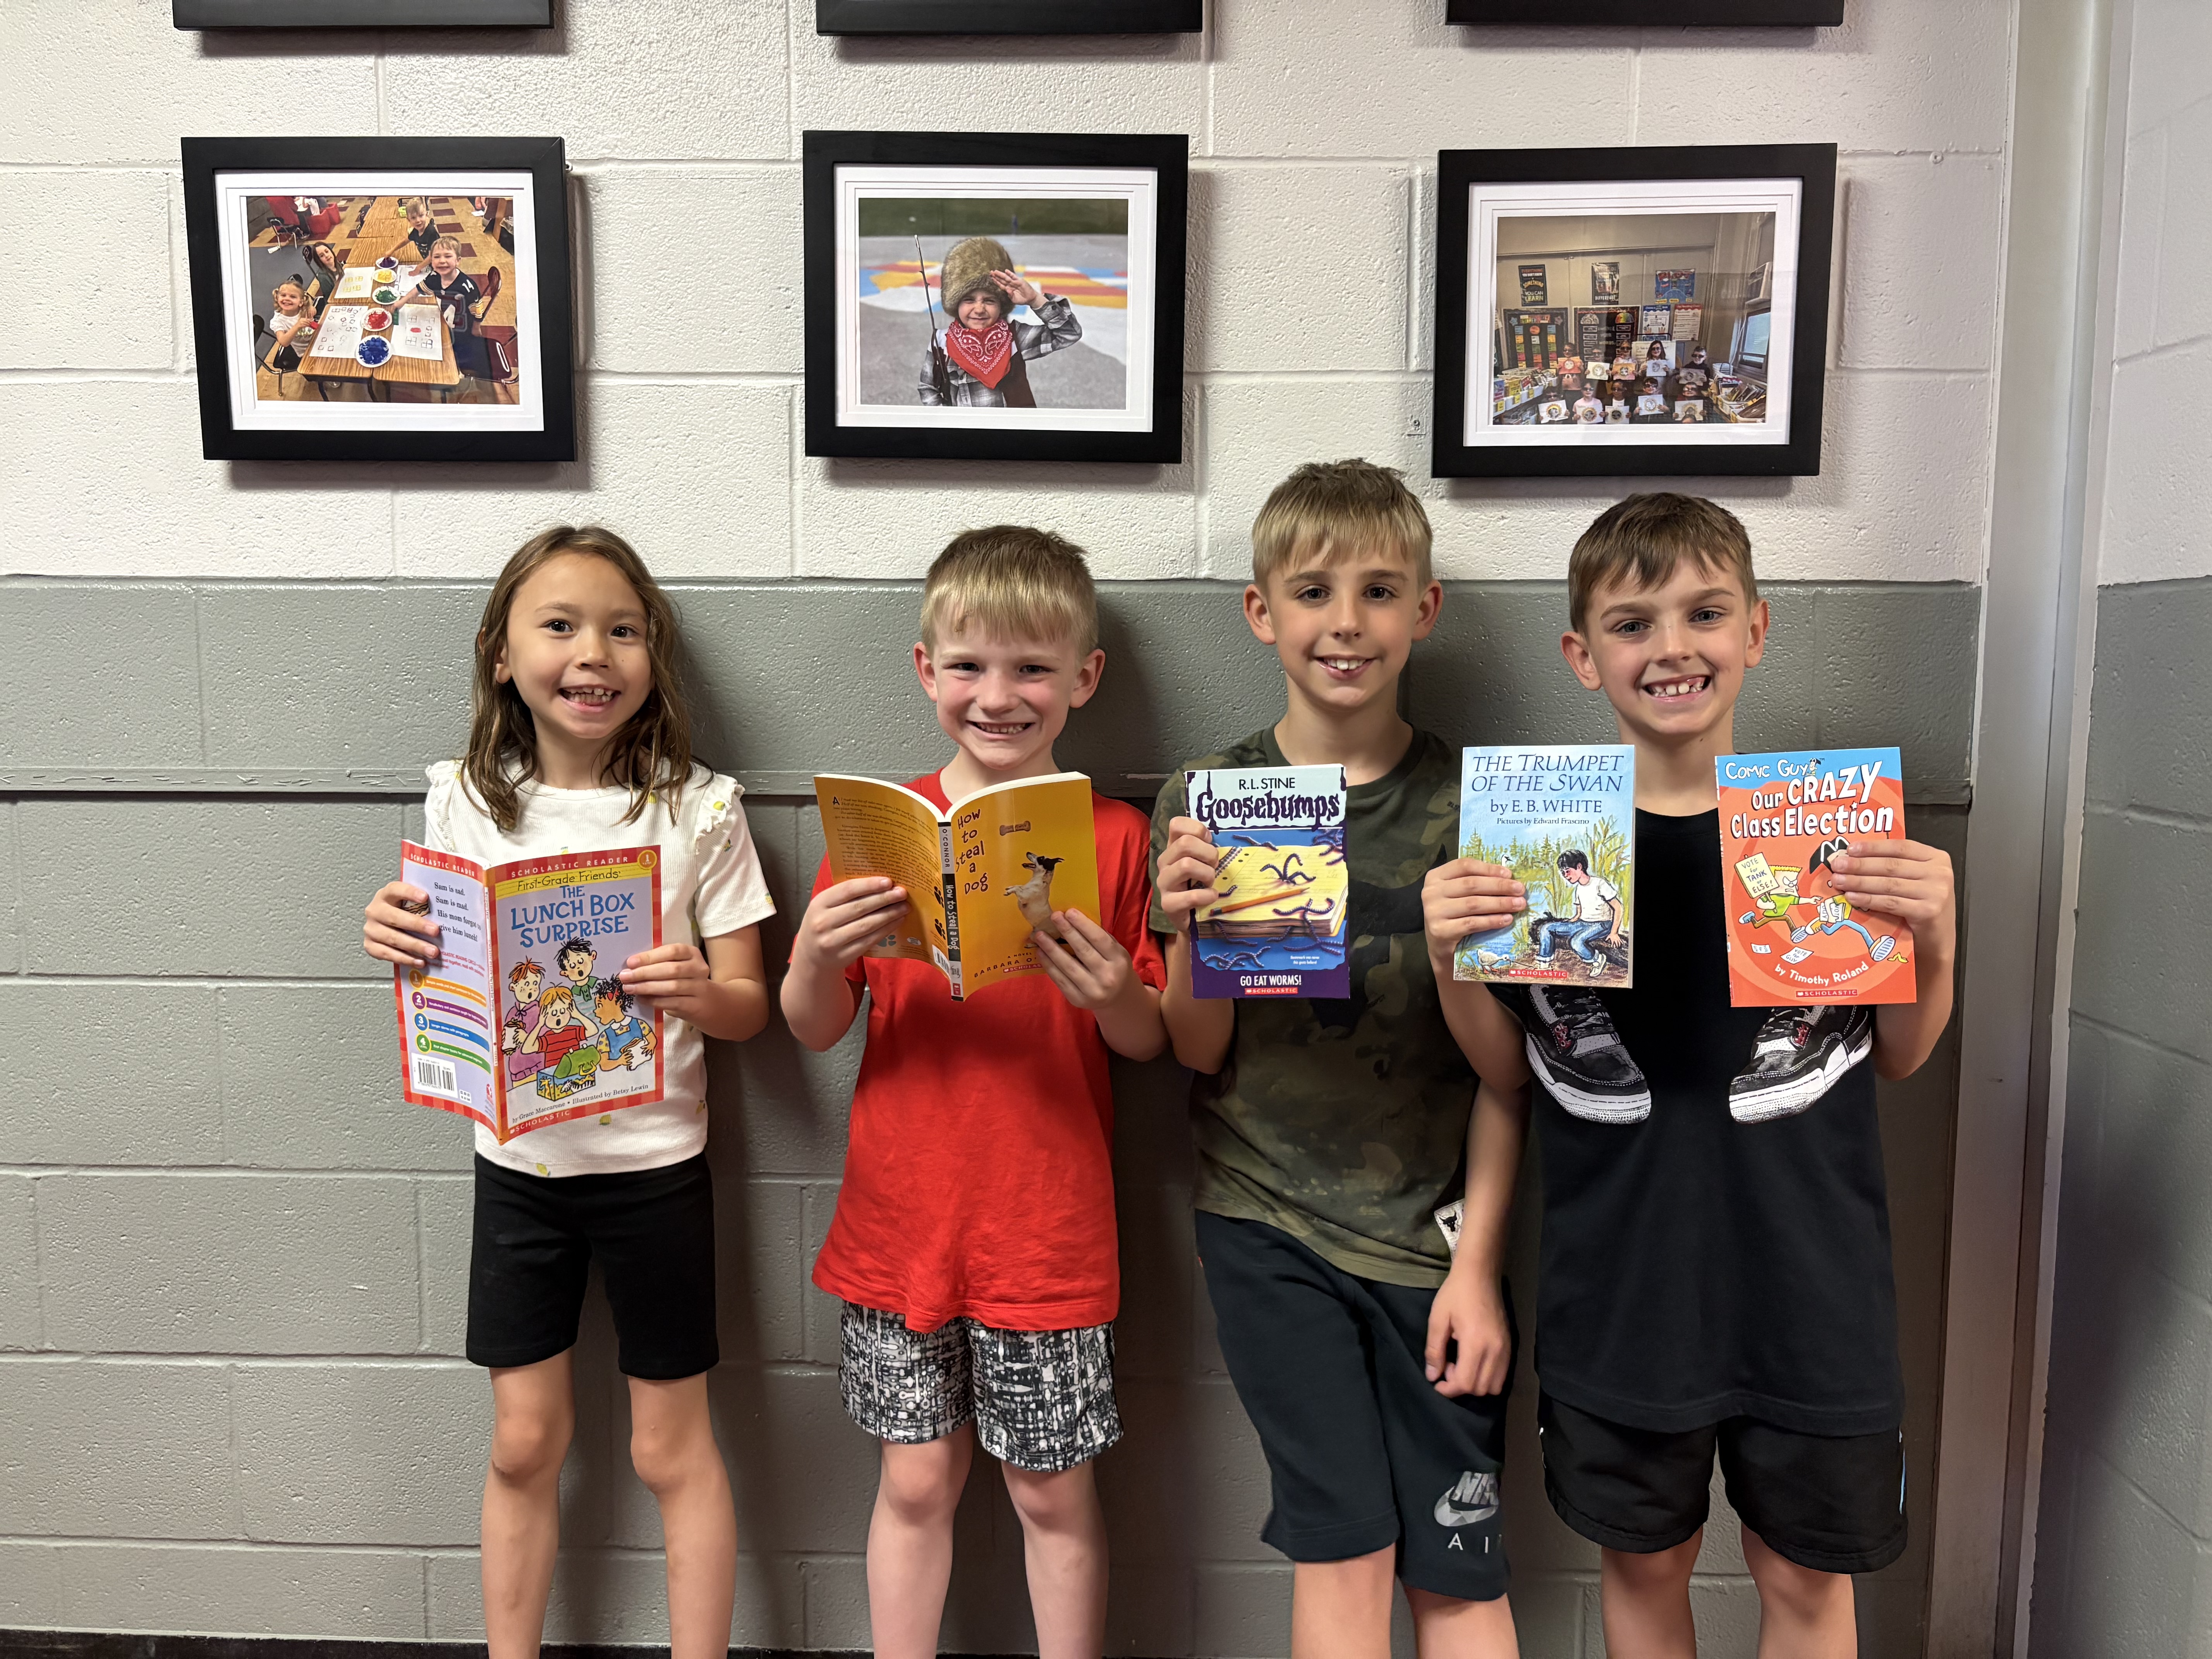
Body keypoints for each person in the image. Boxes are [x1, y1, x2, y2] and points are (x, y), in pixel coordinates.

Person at [1484, 493, 1957, 1656]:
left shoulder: (1832, 840)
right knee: (1642, 1576)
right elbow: (1506, 1070)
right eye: (1631, 624)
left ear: (1754, 628)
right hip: (1622, 1297)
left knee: (1805, 1583)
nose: (1671, 648)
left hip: (1812, 1294)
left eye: (1702, 614)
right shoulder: (1541, 850)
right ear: (1580, 656)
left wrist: (1936, 940)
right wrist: (1460, 956)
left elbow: (1896, 1054)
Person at [360, 525, 776, 1659]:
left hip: (656, 1176)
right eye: (560, 626)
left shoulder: (698, 809)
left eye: (622, 630)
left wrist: (700, 989)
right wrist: (393, 935)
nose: (594, 654)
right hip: (518, 1175)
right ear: (501, 655)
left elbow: (753, 1005)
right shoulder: (462, 803)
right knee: (522, 1443)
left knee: (666, 1448)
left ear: (652, 657)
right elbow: (433, 953)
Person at [1149, 460, 1532, 1659]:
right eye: (1311, 592)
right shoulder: (1215, 804)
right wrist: (1182, 936)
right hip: (1265, 1224)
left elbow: (1509, 1079)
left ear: (1422, 611)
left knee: (1457, 1569)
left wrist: (1477, 1266)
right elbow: (1198, 1052)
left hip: (1434, 1238)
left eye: (1377, 591)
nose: (1344, 623)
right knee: (1344, 1550)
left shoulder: (1484, 804)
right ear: (1262, 612)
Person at [781, 526, 1168, 1659]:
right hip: (900, 1228)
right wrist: (810, 956)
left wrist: (1109, 994)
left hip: (1044, 1234)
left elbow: (1147, 1045)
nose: (997, 696)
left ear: (1083, 680)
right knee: (914, 1484)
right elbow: (815, 1027)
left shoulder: (1114, 837)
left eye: (1032, 668)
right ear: (924, 670)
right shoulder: (872, 829)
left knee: (1050, 1495)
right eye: (968, 666)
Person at [917, 235, 1083, 408]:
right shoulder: (942, 343)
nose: (980, 309)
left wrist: (1035, 299)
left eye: (990, 301)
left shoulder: (1015, 337)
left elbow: (1069, 334)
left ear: (1002, 305)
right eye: (969, 300)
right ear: (955, 303)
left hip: (1011, 432)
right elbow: (928, 388)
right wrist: (943, 420)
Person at [1531, 849, 1621, 975]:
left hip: (1602, 924)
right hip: (1583, 923)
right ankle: (1544, 964)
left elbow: (1618, 908)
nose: (1566, 876)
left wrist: (1614, 933)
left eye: (1568, 871)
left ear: (1579, 867)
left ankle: (1598, 959)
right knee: (1547, 928)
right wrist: (1569, 924)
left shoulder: (1600, 884)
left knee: (1576, 942)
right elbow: (1579, 914)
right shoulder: (1579, 889)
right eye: (1563, 873)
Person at [380, 196, 441, 266]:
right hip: (431, 264)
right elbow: (406, 241)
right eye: (413, 218)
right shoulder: (416, 230)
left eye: (421, 216)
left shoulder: (431, 233)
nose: (418, 221)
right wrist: (391, 251)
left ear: (426, 215)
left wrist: (419, 268)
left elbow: (431, 257)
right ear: (409, 220)